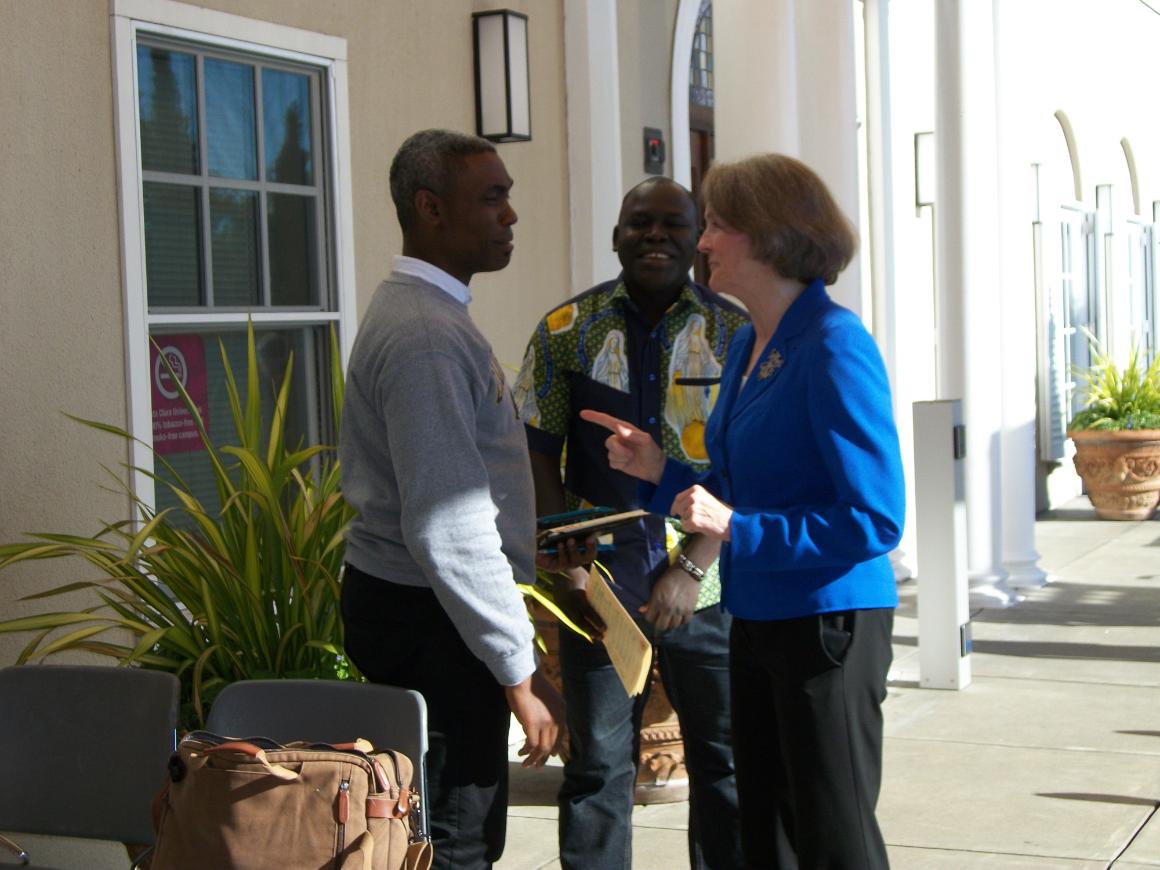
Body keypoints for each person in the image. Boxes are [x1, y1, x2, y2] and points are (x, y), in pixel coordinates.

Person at [582, 154, 904, 869]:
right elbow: (731, 484)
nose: (704, 241)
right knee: (767, 835)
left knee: (833, 837)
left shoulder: (833, 343)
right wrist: (659, 472)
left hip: (828, 627)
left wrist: (739, 529)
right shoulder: (750, 343)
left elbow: (877, 520)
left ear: (771, 235)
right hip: (758, 622)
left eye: (720, 224)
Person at [340, 129, 580, 870]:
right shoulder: (426, 337)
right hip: (431, 622)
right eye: (492, 197)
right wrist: (520, 677)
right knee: (453, 840)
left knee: (444, 830)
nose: (511, 215)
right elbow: (446, 525)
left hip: (425, 610)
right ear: (430, 208)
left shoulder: (428, 314)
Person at [514, 177, 747, 869]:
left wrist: (693, 566)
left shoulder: (735, 332)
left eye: (674, 224)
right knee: (597, 769)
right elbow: (535, 447)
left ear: (698, 237)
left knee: (722, 765)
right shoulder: (566, 330)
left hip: (707, 588)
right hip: (601, 593)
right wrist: (563, 554)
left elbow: (744, 468)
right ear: (616, 235)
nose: (655, 236)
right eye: (639, 223)